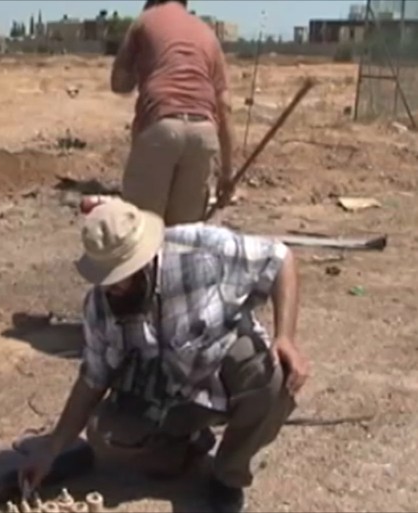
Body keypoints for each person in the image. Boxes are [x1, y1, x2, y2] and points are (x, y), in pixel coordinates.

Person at [20, 200, 310, 513]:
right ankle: (185, 446)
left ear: (144, 261)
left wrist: (285, 337)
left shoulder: (202, 250)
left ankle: (229, 476)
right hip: (167, 391)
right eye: (105, 279)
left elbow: (281, 258)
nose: (112, 289)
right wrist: (51, 450)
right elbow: (93, 378)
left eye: (120, 276)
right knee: (107, 437)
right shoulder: (99, 307)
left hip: (219, 369)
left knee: (273, 376)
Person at [110, 0, 236, 225]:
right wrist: (227, 173)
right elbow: (224, 106)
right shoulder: (206, 33)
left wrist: (144, 69)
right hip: (204, 134)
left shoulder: (144, 21)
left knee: (141, 231)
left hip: (161, 126)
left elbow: (119, 83)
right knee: (183, 236)